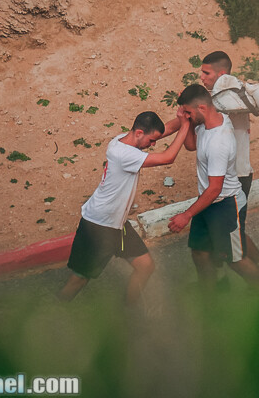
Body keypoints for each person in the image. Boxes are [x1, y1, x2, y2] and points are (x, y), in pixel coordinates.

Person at [58, 112, 189, 306]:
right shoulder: (125, 154)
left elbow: (166, 129)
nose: (154, 144)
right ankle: (55, 311)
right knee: (80, 279)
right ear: (139, 133)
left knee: (145, 266)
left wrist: (185, 115)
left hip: (117, 223)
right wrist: (186, 126)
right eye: (152, 140)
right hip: (98, 225)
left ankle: (127, 311)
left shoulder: (122, 140)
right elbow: (168, 158)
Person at [167, 84, 259, 290]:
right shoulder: (207, 123)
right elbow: (191, 145)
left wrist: (186, 215)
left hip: (225, 204)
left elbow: (215, 189)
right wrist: (186, 122)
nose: (186, 115)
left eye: (188, 112)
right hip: (207, 201)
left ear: (202, 108)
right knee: (200, 253)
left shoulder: (219, 142)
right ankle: (209, 298)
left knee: (235, 261)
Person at [199, 50, 259, 276]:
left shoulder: (230, 95)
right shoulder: (225, 97)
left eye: (206, 73)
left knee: (232, 236)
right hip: (223, 177)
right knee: (225, 233)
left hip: (236, 178)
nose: (202, 77)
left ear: (222, 75)